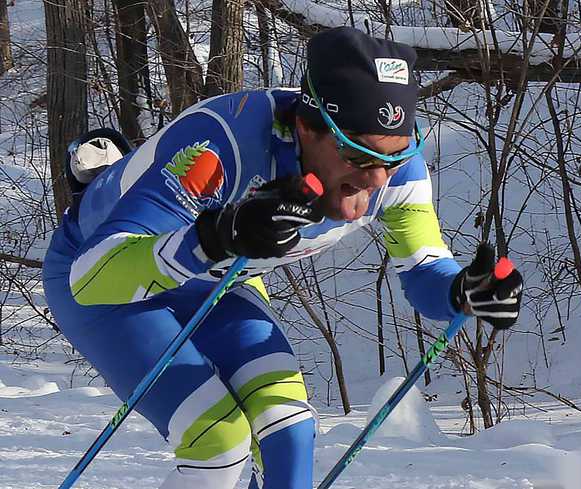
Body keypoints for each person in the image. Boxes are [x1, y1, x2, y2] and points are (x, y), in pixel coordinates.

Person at [43, 26, 523, 489]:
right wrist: (217, 236)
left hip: (217, 282)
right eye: (358, 156)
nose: (379, 179)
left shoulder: (397, 172)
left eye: (393, 160)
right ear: (306, 128)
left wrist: (464, 291)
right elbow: (92, 279)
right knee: (218, 443)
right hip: (110, 276)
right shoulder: (219, 146)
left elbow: (423, 270)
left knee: (288, 429)